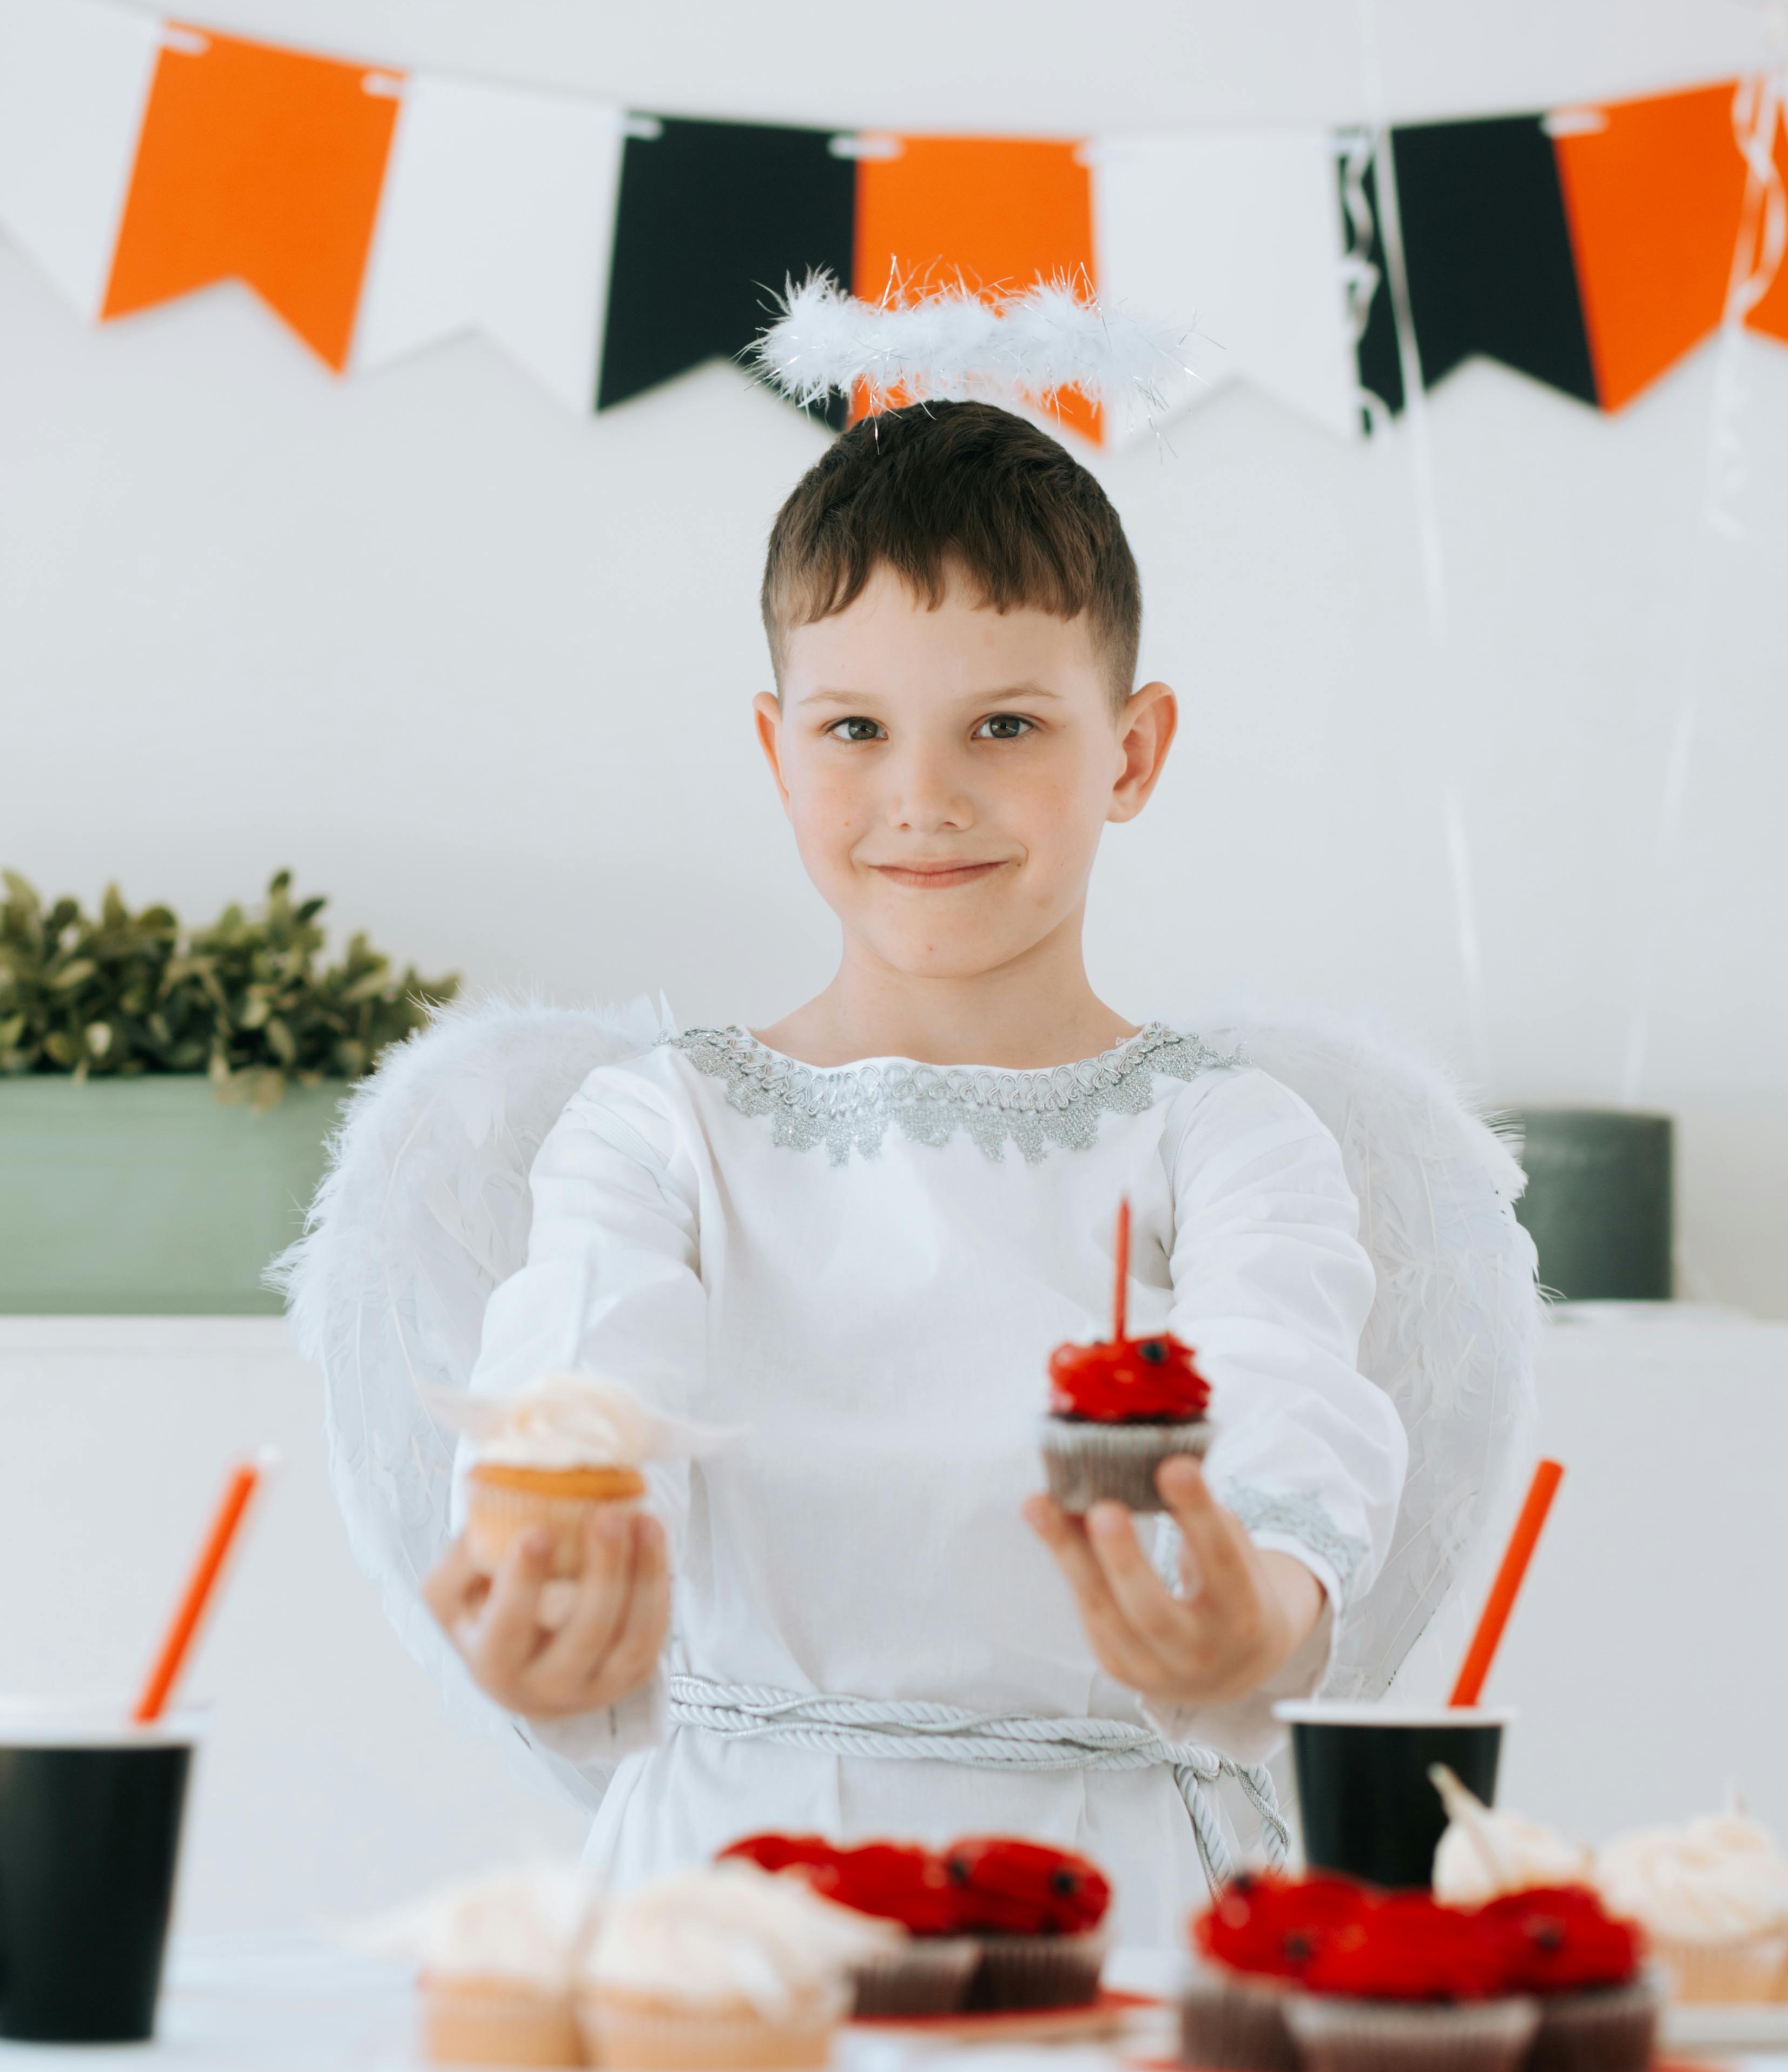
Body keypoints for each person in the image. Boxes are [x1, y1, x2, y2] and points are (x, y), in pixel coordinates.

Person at [421, 395, 1406, 1935]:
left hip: (1119, 1894)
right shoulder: (657, 1127)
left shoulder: (1228, 1135)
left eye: (1005, 725)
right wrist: (532, 1581)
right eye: (855, 729)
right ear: (775, 744)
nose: (923, 797)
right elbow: (576, 1388)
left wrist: (1256, 1619)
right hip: (728, 1898)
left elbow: (1286, 1425)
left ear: (1133, 750)